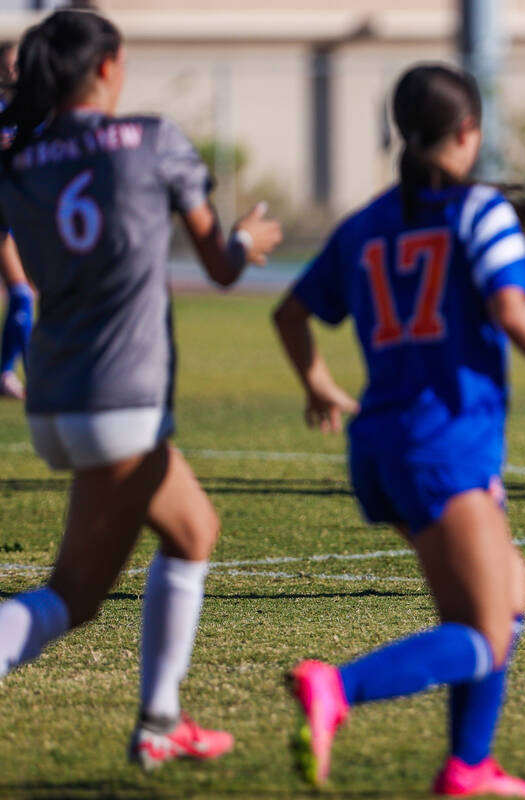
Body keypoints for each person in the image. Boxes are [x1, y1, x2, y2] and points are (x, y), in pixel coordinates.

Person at [274, 64, 525, 797]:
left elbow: (289, 314)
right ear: (468, 133)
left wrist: (316, 381)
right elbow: (511, 310)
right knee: (485, 632)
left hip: (382, 447)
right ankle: (337, 688)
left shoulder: (366, 222)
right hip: (442, 445)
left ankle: (468, 765)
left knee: (509, 594)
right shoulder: (476, 211)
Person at [0, 9, 282, 770]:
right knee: (72, 598)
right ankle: (158, 722)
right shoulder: (154, 139)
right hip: (117, 402)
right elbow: (220, 268)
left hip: (55, 396)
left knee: (192, 529)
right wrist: (247, 243)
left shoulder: (18, 156)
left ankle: (161, 720)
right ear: (107, 67)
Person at [0, 41, 34, 399]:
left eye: (18, 66)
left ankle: (9, 372)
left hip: (15, 219)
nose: (13, 72)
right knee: (23, 295)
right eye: (8, 65)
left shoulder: (33, 115)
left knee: (23, 295)